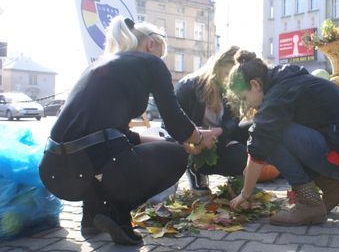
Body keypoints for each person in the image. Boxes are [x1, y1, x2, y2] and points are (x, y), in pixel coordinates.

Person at [38, 16, 221, 245]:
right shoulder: (149, 63)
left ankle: (91, 216)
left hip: (55, 171)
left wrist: (174, 140)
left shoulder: (98, 65)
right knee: (176, 156)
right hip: (92, 163)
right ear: (150, 44)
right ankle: (117, 212)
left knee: (111, 154)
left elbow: (114, 134)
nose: (160, 60)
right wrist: (198, 138)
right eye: (160, 55)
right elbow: (174, 120)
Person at [226, 50, 339, 226]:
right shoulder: (287, 82)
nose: (247, 103)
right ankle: (334, 190)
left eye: (244, 97)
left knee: (271, 137)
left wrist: (245, 194)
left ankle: (309, 204)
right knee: (270, 134)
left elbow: (259, 143)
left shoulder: (278, 94)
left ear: (255, 84)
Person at [167, 46, 249, 194]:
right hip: (194, 142)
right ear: (218, 66)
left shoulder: (231, 89)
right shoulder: (188, 87)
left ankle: (238, 177)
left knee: (247, 151)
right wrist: (197, 136)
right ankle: (195, 168)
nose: (231, 81)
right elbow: (172, 125)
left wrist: (220, 131)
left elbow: (234, 119)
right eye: (227, 74)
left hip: (219, 139)